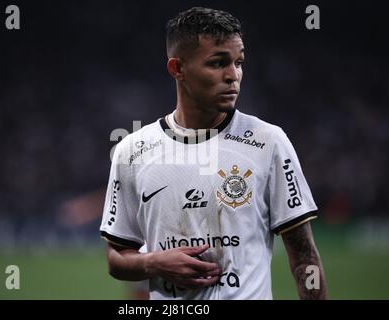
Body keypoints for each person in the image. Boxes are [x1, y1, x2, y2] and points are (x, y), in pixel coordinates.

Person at [100, 7, 327, 299]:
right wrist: (153, 263)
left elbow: (304, 255)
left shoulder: (268, 142)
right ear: (177, 69)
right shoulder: (131, 152)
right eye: (218, 63)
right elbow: (116, 258)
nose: (234, 76)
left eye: (239, 62)